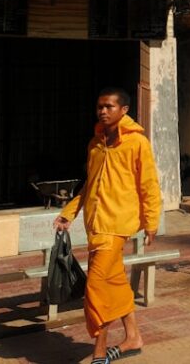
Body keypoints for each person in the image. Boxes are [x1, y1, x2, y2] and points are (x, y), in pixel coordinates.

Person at [55, 87, 161, 363]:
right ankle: (133, 337)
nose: (103, 111)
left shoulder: (137, 143)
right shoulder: (95, 144)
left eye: (109, 107)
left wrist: (151, 221)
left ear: (123, 110)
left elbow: (149, 184)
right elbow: (89, 185)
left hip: (117, 225)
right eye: (100, 106)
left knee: (96, 288)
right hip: (95, 225)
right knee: (114, 282)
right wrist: (69, 213)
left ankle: (99, 350)